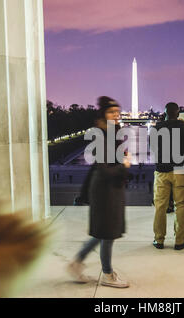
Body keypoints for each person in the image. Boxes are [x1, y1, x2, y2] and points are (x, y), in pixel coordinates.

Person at [67, 96, 130, 288]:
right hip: (104, 188)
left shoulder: (112, 132)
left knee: (103, 232)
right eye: (112, 112)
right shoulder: (101, 135)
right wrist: (124, 165)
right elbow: (104, 169)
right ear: (103, 114)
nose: (116, 115)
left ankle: (77, 263)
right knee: (107, 232)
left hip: (110, 187)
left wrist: (122, 157)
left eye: (118, 112)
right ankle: (108, 274)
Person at [152, 102, 184, 250]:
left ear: (165, 112)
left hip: (162, 170)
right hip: (180, 170)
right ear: (178, 112)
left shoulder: (157, 128)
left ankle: (159, 239)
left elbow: (153, 150)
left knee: (160, 206)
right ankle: (180, 241)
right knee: (180, 205)